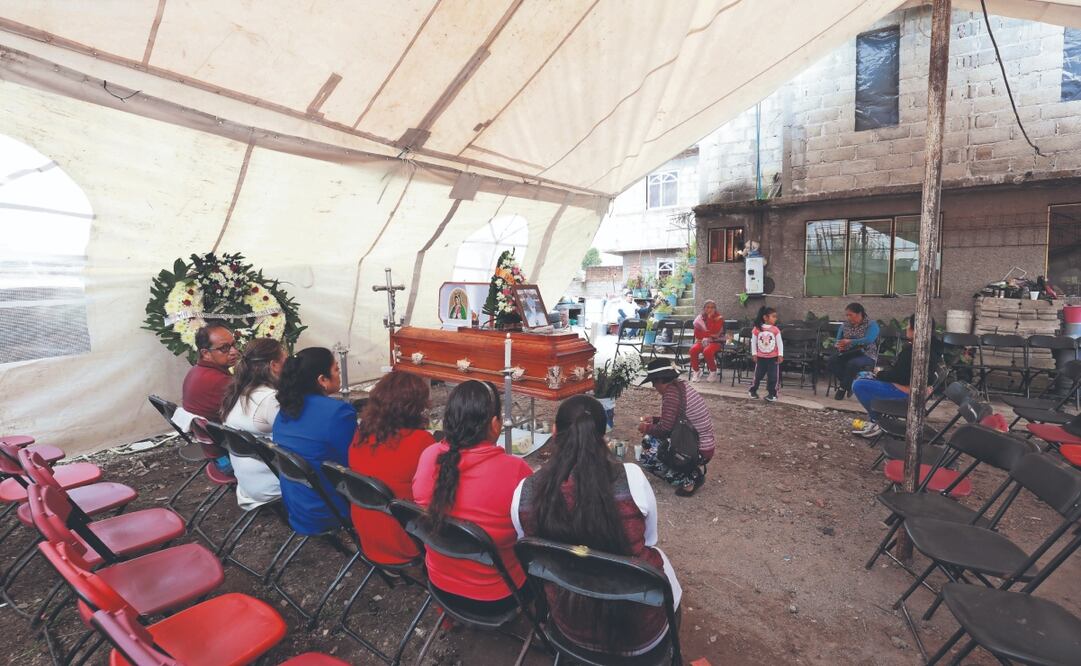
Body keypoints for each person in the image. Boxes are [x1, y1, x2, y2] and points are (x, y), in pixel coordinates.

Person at [511, 395, 682, 656]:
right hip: (641, 637)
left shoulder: (525, 492)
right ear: (603, 436)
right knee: (662, 568)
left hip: (568, 628)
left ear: (554, 432)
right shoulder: (632, 479)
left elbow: (531, 549)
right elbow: (649, 540)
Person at [413, 381, 532, 613]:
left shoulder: (428, 456)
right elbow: (534, 530)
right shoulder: (515, 470)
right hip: (498, 598)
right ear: (495, 424)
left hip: (439, 586)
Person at [349, 372, 434, 566]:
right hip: (405, 541)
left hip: (367, 535)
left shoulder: (361, 435)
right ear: (415, 407)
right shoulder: (421, 442)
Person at [272, 347, 355, 535]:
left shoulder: (286, 409)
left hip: (297, 506)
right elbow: (353, 462)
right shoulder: (338, 412)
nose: (339, 374)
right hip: (330, 509)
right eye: (336, 369)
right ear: (322, 380)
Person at [851, 315, 944, 439]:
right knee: (864, 375)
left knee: (859, 385)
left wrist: (879, 374)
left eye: (909, 325)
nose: (906, 328)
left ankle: (877, 421)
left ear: (916, 329)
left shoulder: (914, 351)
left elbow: (899, 377)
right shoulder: (932, 347)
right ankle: (879, 420)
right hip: (912, 391)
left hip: (904, 395)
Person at [221, 338, 286, 510]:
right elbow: (299, 437)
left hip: (249, 484)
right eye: (286, 361)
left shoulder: (238, 392)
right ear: (274, 365)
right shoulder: (270, 399)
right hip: (272, 485)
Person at [637, 360, 716, 496]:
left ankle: (690, 479)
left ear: (660, 380)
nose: (654, 386)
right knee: (648, 441)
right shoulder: (679, 386)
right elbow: (678, 420)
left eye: (653, 382)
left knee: (647, 458)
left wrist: (646, 427)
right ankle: (687, 470)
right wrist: (654, 420)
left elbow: (665, 430)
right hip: (700, 444)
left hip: (697, 450)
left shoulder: (671, 394)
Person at [182, 321, 240, 422]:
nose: (234, 351)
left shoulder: (196, 370)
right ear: (206, 353)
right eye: (224, 348)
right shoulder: (220, 380)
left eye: (234, 345)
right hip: (216, 431)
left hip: (201, 430)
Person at [828, 303, 880, 401]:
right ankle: (850, 385)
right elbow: (838, 340)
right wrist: (839, 345)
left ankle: (842, 388)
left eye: (850, 315)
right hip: (848, 352)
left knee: (853, 364)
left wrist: (850, 341)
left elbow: (869, 339)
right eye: (847, 315)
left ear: (859, 313)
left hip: (866, 353)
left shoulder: (871, 324)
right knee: (832, 360)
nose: (848, 317)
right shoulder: (845, 325)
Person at [749, 306, 783, 402]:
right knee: (758, 375)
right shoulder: (757, 329)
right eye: (773, 316)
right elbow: (753, 342)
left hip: (773, 358)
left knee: (773, 376)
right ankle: (753, 391)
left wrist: (780, 354)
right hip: (760, 358)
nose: (775, 318)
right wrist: (754, 354)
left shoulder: (776, 329)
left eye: (776, 317)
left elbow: (779, 343)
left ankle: (772, 394)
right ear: (765, 317)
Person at [688, 300, 724, 382]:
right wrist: (708, 335)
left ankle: (713, 371)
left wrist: (710, 319)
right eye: (708, 307)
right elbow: (697, 334)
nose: (710, 309)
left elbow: (715, 332)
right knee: (693, 349)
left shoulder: (719, 318)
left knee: (707, 351)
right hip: (701, 341)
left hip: (716, 341)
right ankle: (696, 371)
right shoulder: (699, 319)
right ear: (704, 308)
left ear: (715, 309)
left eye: (712, 307)